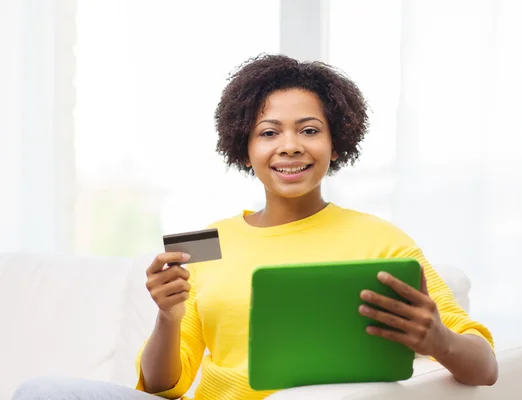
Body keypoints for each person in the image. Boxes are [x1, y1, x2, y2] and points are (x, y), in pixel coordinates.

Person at [12, 54, 497, 400]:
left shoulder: (382, 241)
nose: (289, 146)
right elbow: (165, 385)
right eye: (269, 133)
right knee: (41, 391)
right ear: (244, 149)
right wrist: (167, 315)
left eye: (309, 130)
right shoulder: (207, 242)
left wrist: (439, 340)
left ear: (335, 142)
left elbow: (486, 367)